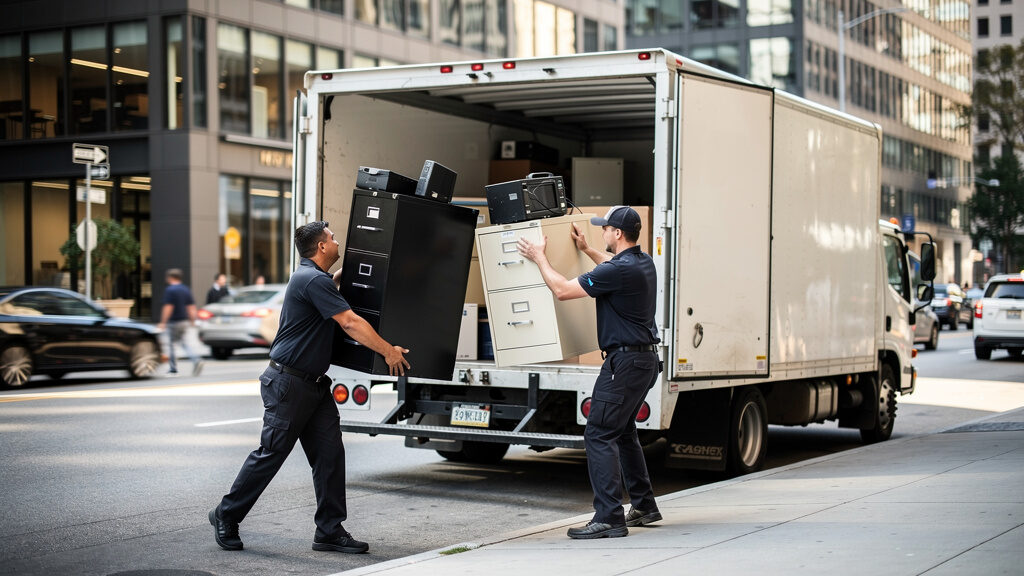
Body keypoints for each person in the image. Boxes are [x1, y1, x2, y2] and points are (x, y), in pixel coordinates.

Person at [209, 220, 410, 554]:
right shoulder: (312, 280)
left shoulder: (313, 278)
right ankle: (225, 515)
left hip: (314, 386)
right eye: (333, 238)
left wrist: (355, 264)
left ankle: (329, 530)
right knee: (271, 454)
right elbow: (350, 322)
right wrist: (388, 351)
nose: (336, 241)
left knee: (330, 456)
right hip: (288, 385)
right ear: (321, 246)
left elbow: (331, 284)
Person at [517, 206, 662, 540]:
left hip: (624, 365)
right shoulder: (642, 262)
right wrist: (586, 249)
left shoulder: (619, 269)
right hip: (643, 362)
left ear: (618, 233)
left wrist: (539, 257)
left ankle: (609, 518)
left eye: (605, 228)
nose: (602, 232)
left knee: (598, 433)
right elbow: (610, 265)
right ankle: (644, 505)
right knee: (622, 431)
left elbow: (563, 290)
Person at [158, 268, 204, 376]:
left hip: (174, 321)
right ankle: (196, 359)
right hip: (184, 321)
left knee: (172, 345)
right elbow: (191, 307)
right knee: (183, 343)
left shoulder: (170, 290)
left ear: (170, 278)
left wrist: (163, 322)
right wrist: (193, 320)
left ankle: (173, 369)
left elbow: (168, 307)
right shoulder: (185, 289)